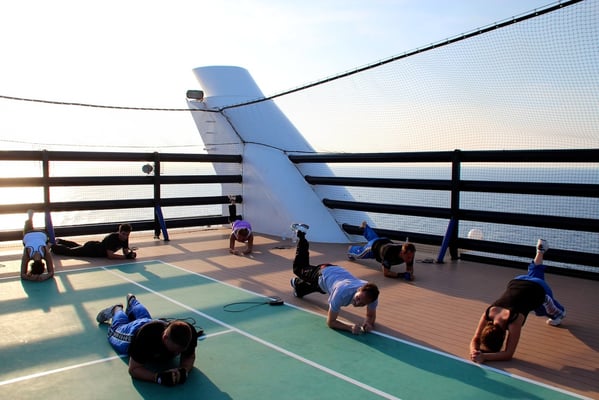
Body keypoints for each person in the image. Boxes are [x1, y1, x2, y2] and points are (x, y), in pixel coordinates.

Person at [469, 239, 566, 363]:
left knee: (549, 312)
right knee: (534, 274)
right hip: (518, 280)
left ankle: (560, 312)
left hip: (540, 289)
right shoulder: (489, 313)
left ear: (503, 336)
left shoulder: (514, 321)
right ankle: (540, 251)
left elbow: (508, 354)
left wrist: (484, 356)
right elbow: (475, 339)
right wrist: (474, 351)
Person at [289, 223, 379, 335]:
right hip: (322, 273)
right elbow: (330, 322)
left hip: (333, 279)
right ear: (359, 289)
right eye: (358, 298)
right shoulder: (341, 293)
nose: (357, 302)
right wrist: (349, 327)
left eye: (362, 303)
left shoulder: (372, 295)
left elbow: (370, 316)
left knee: (305, 291)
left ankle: (298, 285)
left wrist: (368, 323)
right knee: (299, 269)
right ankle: (301, 234)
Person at [96, 294, 198, 386]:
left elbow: (190, 356)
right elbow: (133, 369)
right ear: (165, 338)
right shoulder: (146, 337)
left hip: (151, 324)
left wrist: (184, 370)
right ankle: (116, 309)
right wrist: (157, 377)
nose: (177, 354)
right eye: (175, 350)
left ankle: (133, 301)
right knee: (116, 329)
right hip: (133, 333)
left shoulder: (189, 333)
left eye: (180, 351)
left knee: (145, 318)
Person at [347, 221, 416, 280]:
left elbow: (409, 269)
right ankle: (351, 249)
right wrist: (402, 275)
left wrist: (409, 274)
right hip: (373, 247)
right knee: (360, 254)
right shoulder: (389, 254)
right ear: (402, 253)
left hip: (384, 241)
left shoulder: (409, 252)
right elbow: (386, 273)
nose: (410, 259)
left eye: (411, 257)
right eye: (408, 257)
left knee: (374, 238)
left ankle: (365, 227)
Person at [51, 223, 137, 260]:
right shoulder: (112, 238)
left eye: (127, 234)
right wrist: (126, 257)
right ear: (119, 232)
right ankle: (53, 246)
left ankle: (60, 241)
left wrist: (130, 254)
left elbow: (125, 252)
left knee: (76, 246)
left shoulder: (125, 239)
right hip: (91, 250)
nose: (125, 236)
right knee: (70, 252)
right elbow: (110, 256)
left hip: (94, 247)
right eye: (123, 234)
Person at [21, 210, 55, 282]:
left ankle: (46, 213)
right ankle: (30, 217)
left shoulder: (45, 252)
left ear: (43, 264)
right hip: (28, 233)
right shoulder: (27, 254)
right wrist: (36, 278)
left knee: (49, 243)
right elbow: (23, 275)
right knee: (26, 241)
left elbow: (51, 273)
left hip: (42, 233)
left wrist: (39, 278)